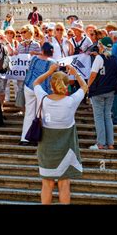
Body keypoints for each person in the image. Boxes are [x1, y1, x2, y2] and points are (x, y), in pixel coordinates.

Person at [34, 64, 87, 204]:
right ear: (67, 85)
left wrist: (50, 71)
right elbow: (84, 87)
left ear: (51, 85)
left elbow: (36, 82)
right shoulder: (71, 101)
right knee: (64, 185)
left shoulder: (43, 99)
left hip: (46, 148)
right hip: (66, 149)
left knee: (47, 184)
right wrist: (76, 74)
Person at [19, 42, 56, 145]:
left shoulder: (34, 58)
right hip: (42, 89)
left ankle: (24, 139)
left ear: (42, 50)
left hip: (29, 86)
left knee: (29, 113)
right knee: (40, 114)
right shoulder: (53, 62)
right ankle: (36, 138)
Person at [87, 37, 117, 150]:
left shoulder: (99, 58)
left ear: (102, 46)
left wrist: (87, 86)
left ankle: (100, 143)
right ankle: (110, 143)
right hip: (110, 91)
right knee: (107, 116)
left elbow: (93, 75)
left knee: (99, 117)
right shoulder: (115, 59)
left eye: (99, 45)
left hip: (99, 90)